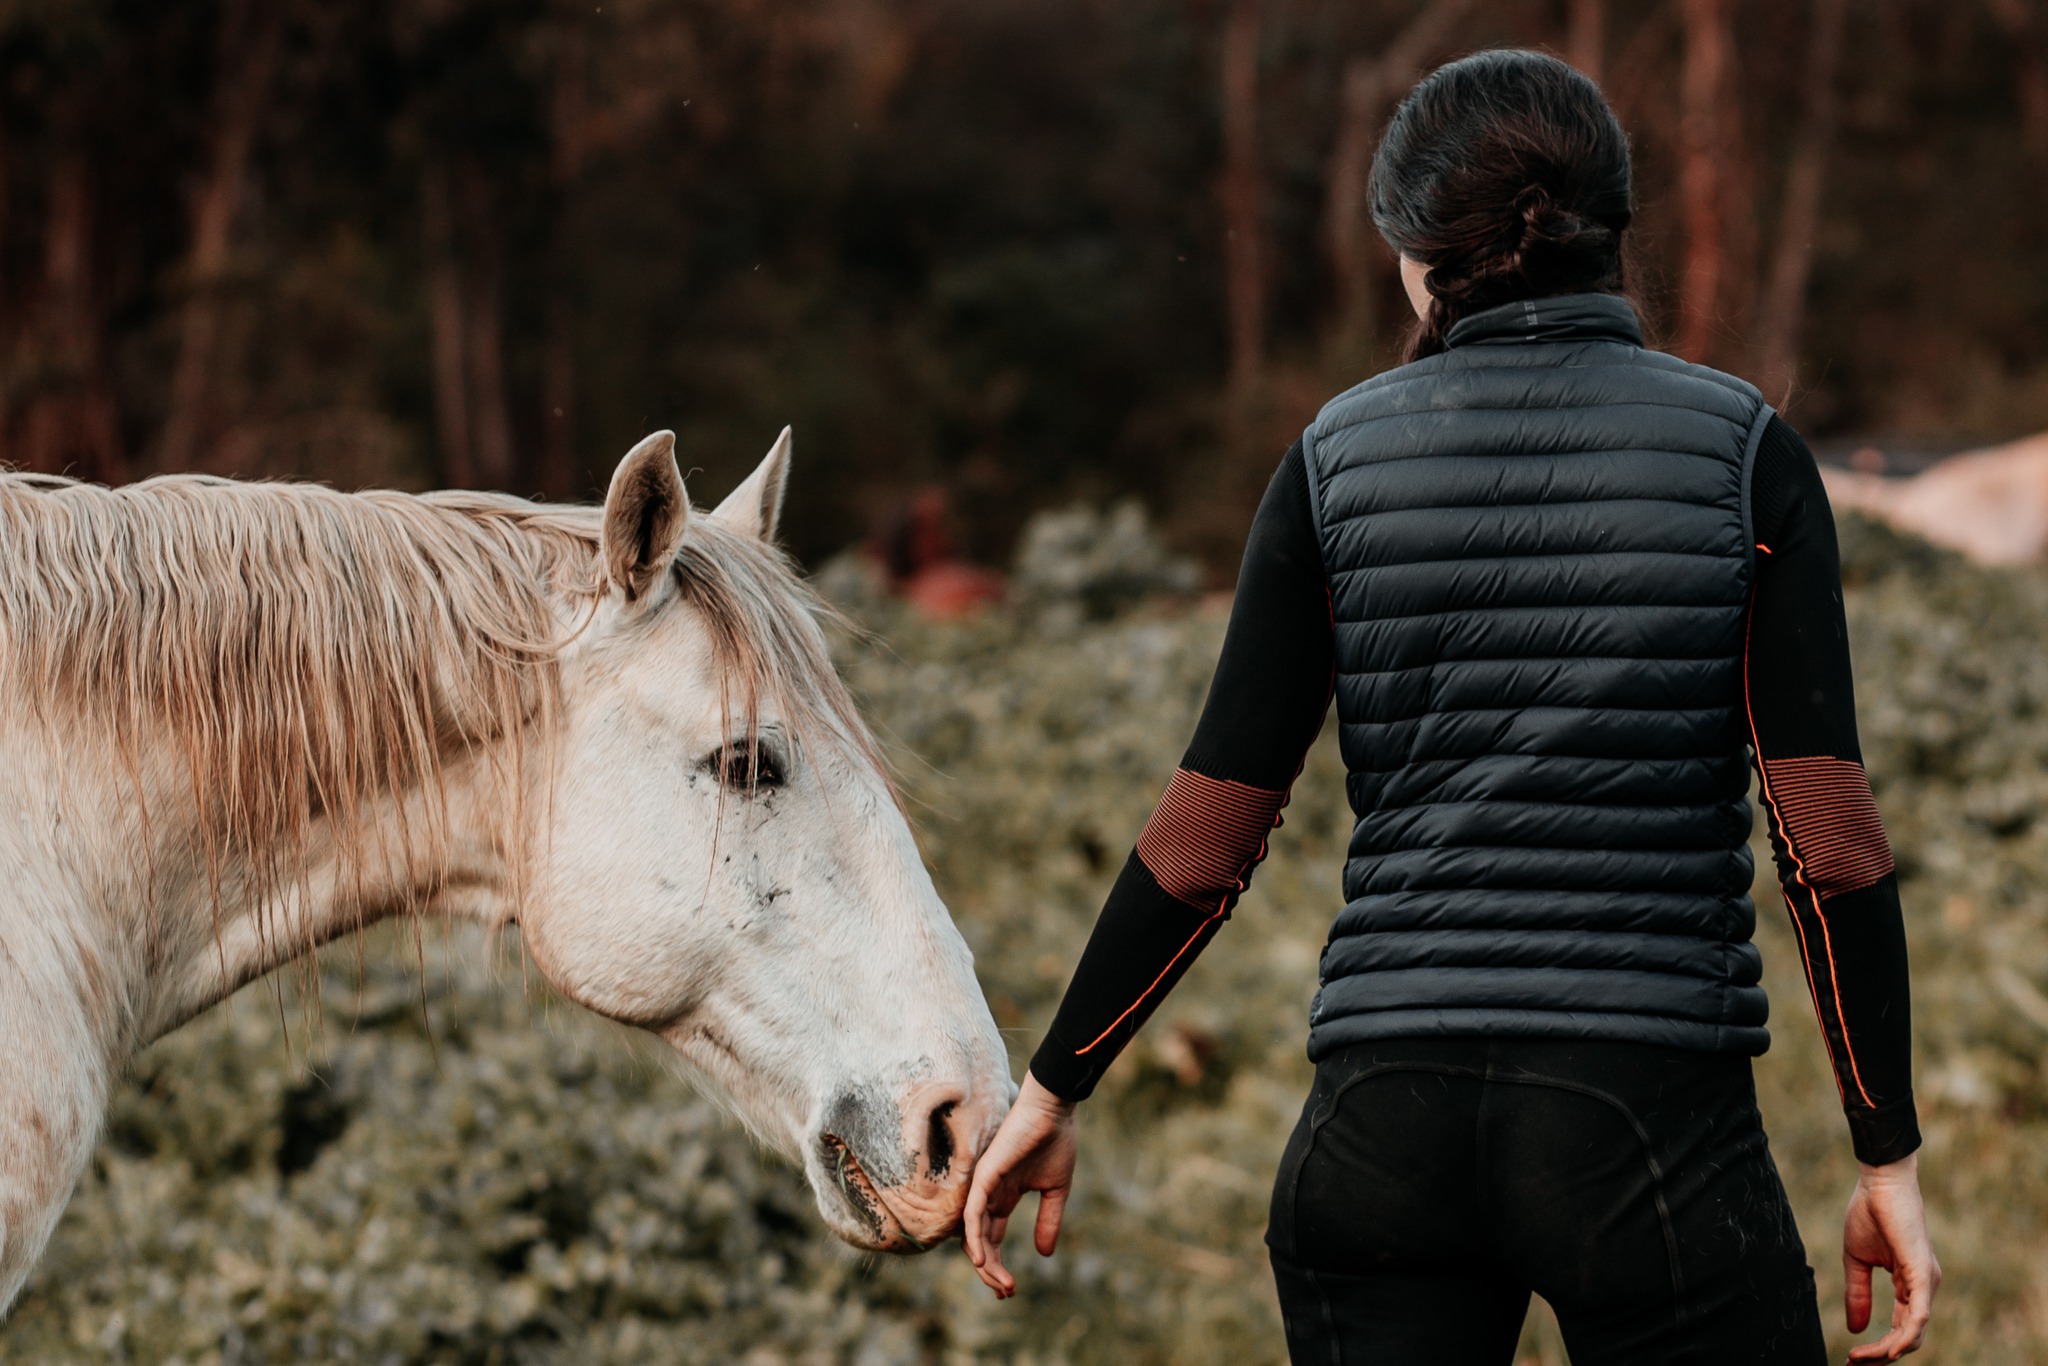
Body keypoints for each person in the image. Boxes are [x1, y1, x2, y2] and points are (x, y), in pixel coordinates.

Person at [962, 49, 1940, 1366]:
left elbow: (1205, 840)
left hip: (1378, 1139)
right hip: (1648, 1133)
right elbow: (1829, 845)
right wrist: (1888, 1151)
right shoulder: (1744, 451)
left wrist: (1053, 1079)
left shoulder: (1329, 460)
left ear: (1418, 259)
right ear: (1616, 232)